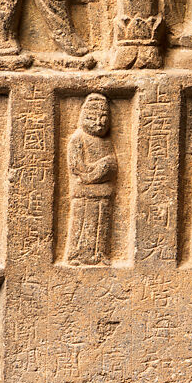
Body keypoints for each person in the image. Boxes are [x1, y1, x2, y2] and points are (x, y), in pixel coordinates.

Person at [66, 94, 118, 265]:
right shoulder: (78, 138)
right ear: (84, 117)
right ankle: (77, 254)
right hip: (84, 191)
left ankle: (100, 253)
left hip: (103, 190)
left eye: (103, 118)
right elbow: (76, 167)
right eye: (93, 118)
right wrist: (96, 171)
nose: (99, 122)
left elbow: (113, 166)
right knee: (82, 222)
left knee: (102, 221)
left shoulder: (106, 142)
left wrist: (105, 168)